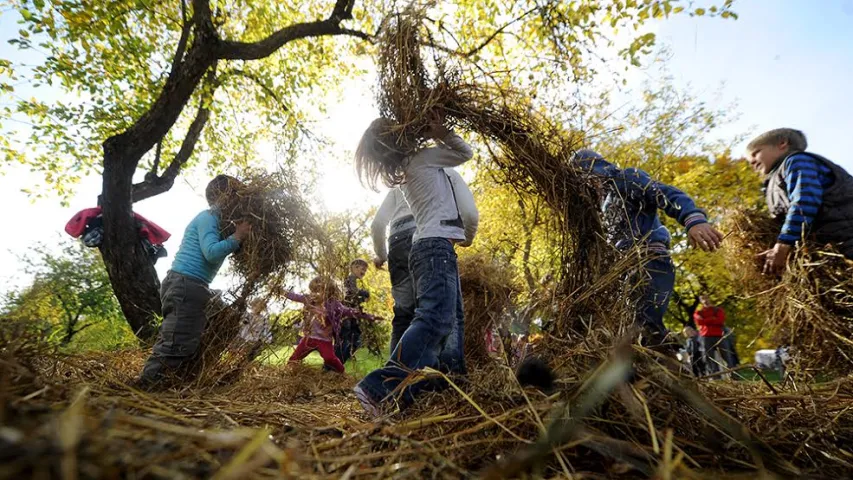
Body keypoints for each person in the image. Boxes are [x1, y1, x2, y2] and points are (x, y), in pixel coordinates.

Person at [353, 112, 478, 415]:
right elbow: (465, 153)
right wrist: (440, 132)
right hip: (435, 247)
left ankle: (446, 384)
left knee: (449, 320)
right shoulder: (423, 159)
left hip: (428, 247)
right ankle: (378, 388)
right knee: (435, 319)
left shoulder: (406, 169)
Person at [573, 150, 724, 347]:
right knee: (630, 328)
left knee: (645, 326)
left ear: (594, 171)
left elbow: (666, 194)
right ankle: (653, 366)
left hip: (649, 260)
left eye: (586, 177)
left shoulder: (626, 179)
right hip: (624, 270)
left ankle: (668, 367)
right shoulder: (602, 202)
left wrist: (692, 219)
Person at [139, 175, 251, 386]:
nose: (241, 202)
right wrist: (237, 237)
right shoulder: (208, 217)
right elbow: (210, 252)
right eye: (238, 195)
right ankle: (145, 387)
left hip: (192, 285)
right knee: (175, 339)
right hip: (185, 284)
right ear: (226, 196)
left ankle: (169, 383)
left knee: (187, 338)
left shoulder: (218, 222)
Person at [371, 168, 478, 355]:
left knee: (403, 315)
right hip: (432, 236)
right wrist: (466, 239)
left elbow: (378, 224)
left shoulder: (401, 181)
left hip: (398, 242)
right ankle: (447, 373)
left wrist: (382, 254)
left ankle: (396, 377)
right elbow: (469, 213)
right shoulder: (446, 174)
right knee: (445, 310)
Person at [746, 128, 853, 275]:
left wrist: (783, 244)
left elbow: (804, 200)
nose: (751, 161)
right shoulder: (773, 182)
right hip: (833, 252)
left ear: (782, 143)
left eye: (755, 153)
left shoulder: (797, 161)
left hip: (846, 238)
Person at [285, 276, 377, 373]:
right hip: (309, 338)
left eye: (318, 291)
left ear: (329, 292)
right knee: (295, 358)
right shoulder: (309, 299)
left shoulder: (334, 305)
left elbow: (350, 311)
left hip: (324, 340)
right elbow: (295, 296)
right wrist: (282, 292)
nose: (314, 294)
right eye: (313, 291)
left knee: (329, 358)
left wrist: (369, 316)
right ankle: (287, 372)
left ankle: (341, 371)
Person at [336, 259, 371, 364]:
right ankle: (337, 362)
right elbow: (352, 293)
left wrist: (361, 300)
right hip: (347, 314)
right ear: (354, 267)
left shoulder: (352, 280)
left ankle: (343, 359)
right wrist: (365, 294)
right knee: (348, 337)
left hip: (352, 313)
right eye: (362, 269)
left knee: (355, 337)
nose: (364, 272)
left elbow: (353, 296)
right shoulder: (350, 279)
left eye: (365, 270)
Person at [693, 295, 733, 374]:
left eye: (706, 298)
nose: (705, 300)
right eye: (703, 299)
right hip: (706, 336)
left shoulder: (718, 310)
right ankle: (715, 377)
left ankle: (733, 374)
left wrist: (706, 320)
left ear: (710, 298)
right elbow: (699, 322)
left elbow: (720, 321)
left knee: (726, 356)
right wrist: (712, 318)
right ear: (700, 301)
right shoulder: (698, 312)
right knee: (709, 358)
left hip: (719, 335)